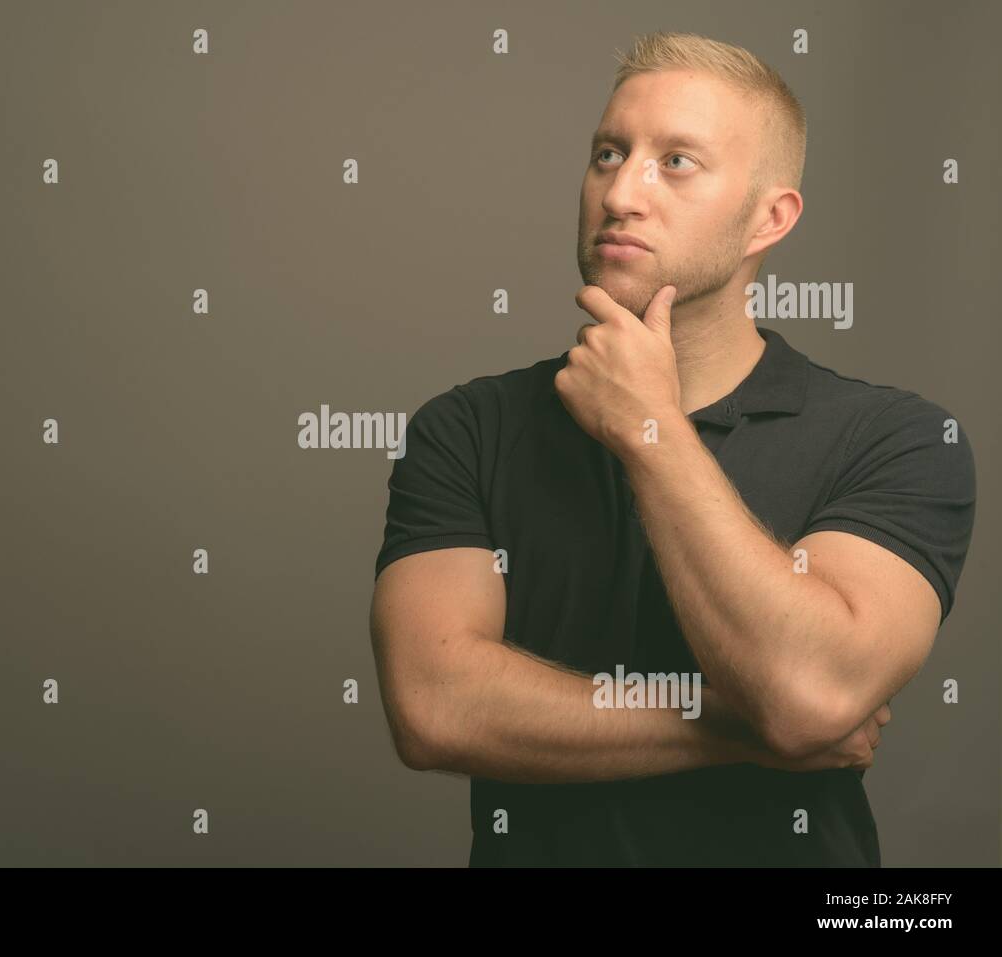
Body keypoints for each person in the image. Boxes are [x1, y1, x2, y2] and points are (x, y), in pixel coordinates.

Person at [368, 31, 976, 866]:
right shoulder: (467, 428)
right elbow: (434, 707)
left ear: (771, 217)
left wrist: (648, 430)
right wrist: (741, 730)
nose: (621, 192)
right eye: (608, 153)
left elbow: (809, 692)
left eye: (676, 161)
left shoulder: (899, 440)